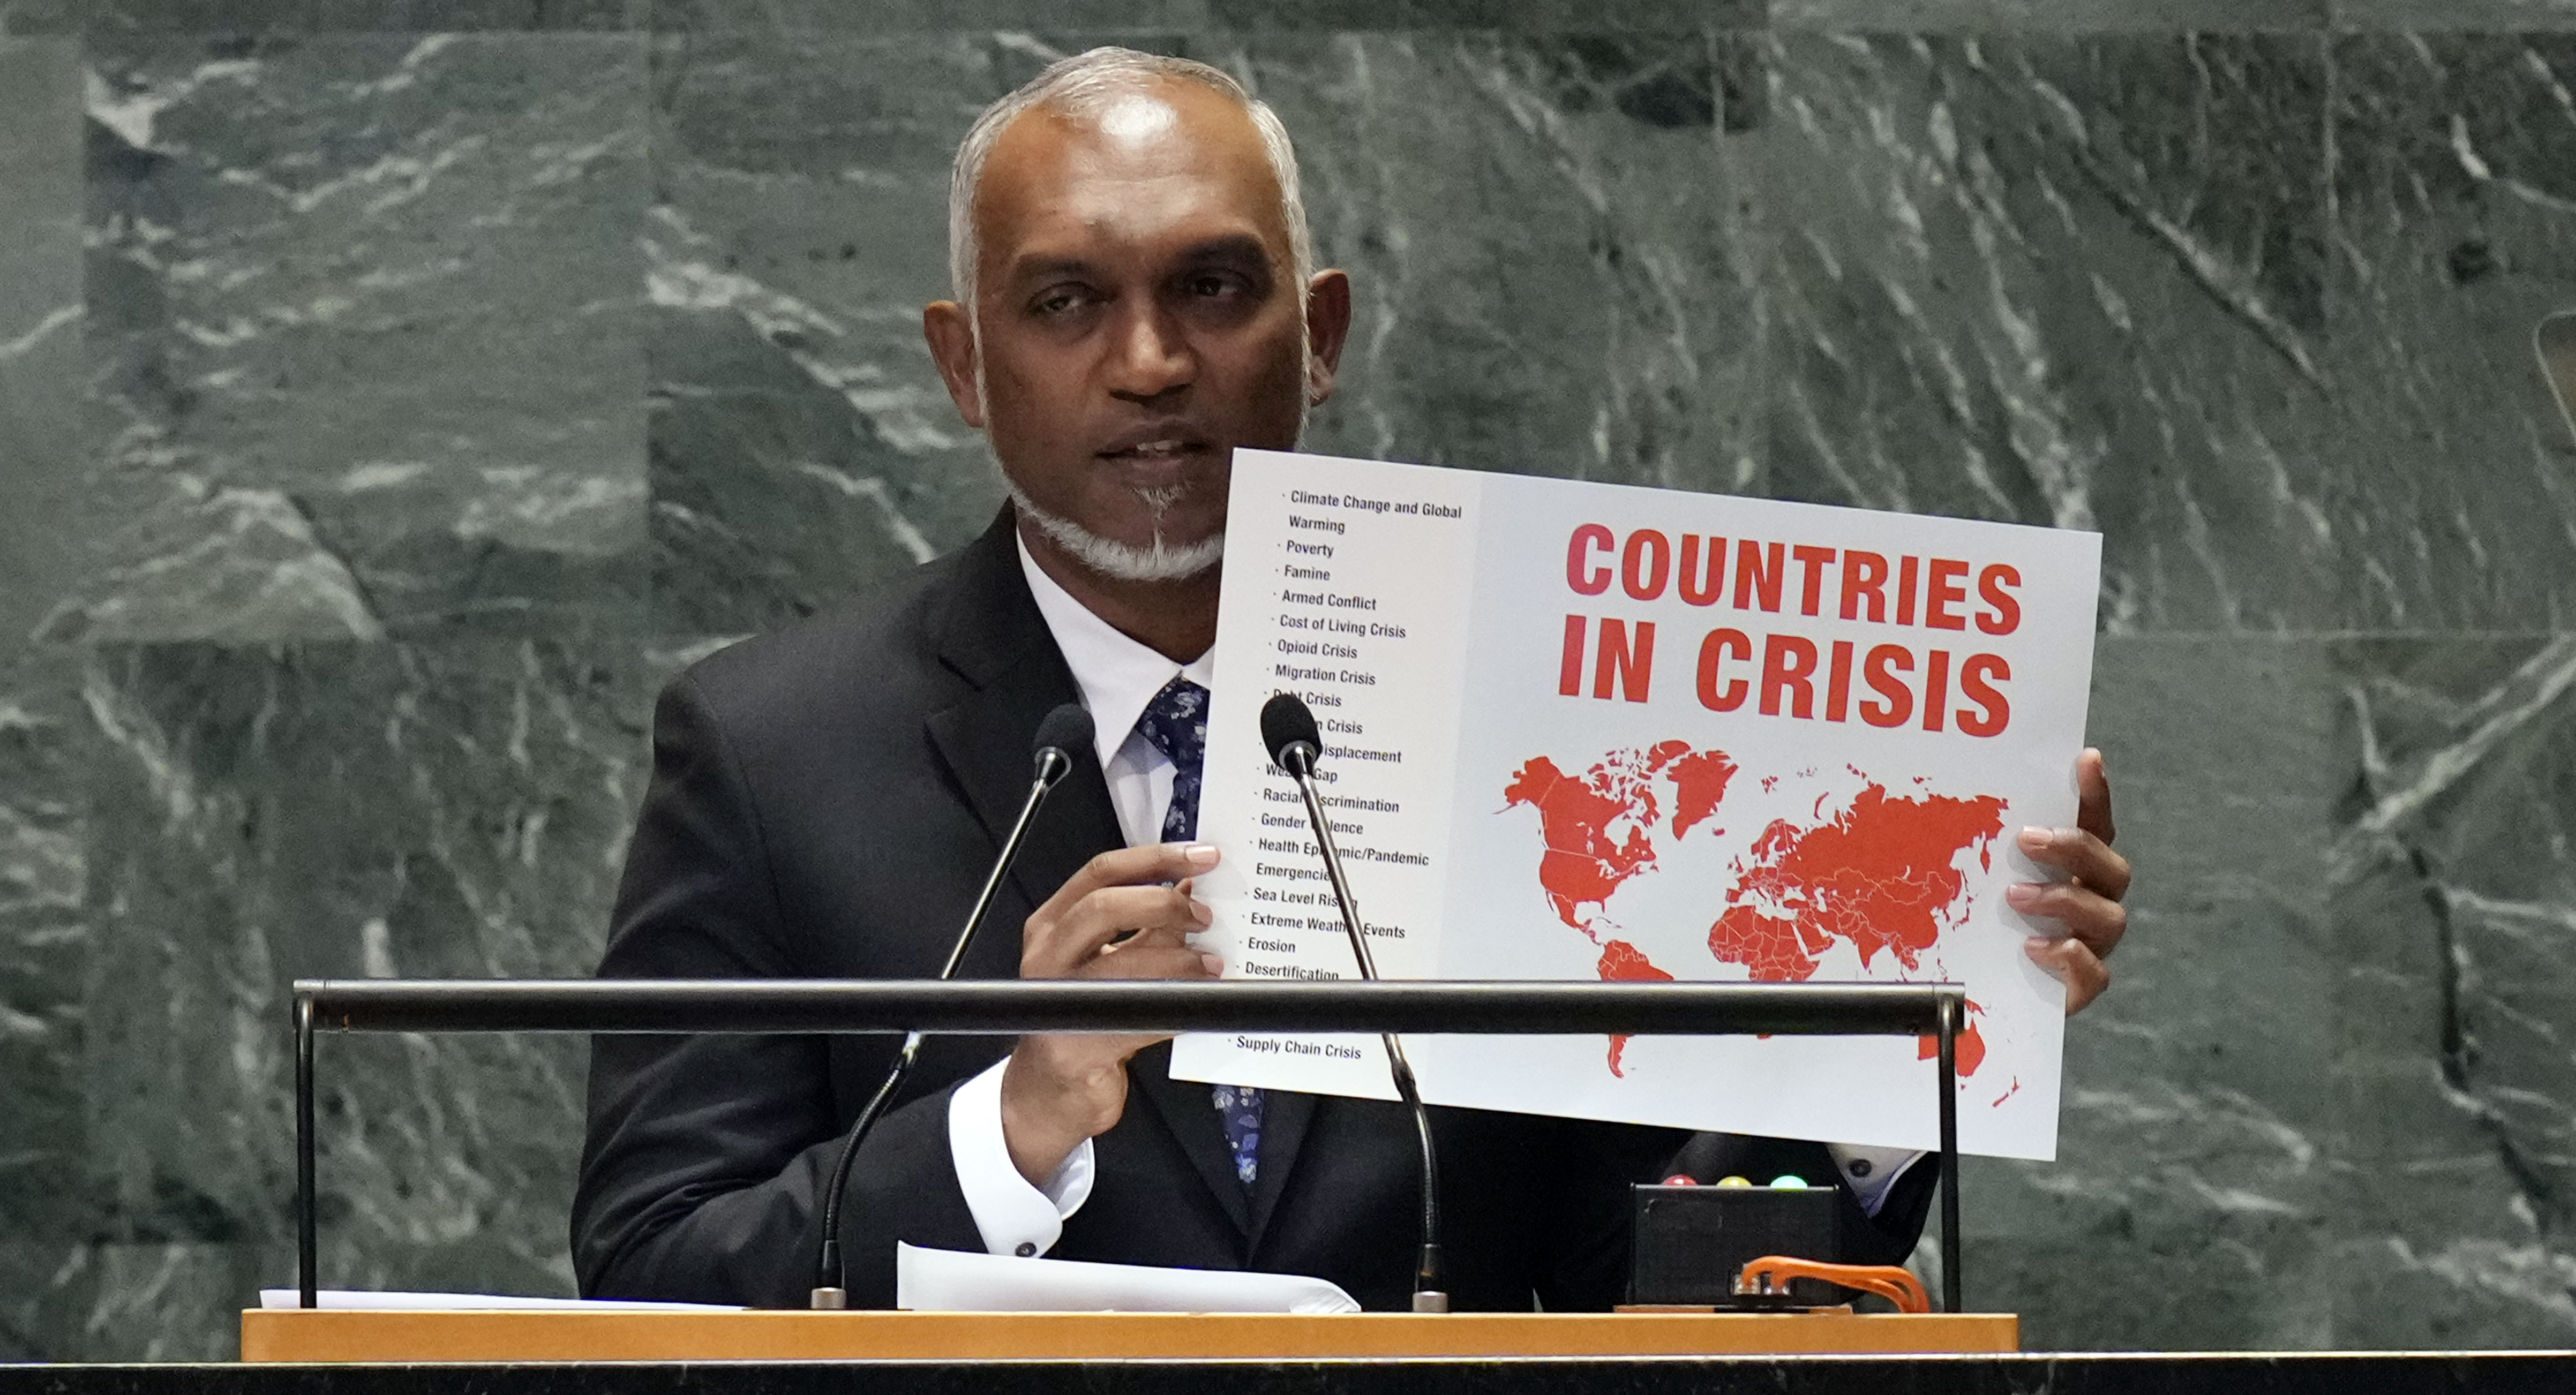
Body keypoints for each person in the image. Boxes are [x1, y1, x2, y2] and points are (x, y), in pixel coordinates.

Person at [570, 48, 2131, 1310]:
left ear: (1319, 336)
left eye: (1213, 289)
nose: (1149, 363)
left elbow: (1652, 1283)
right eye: (1064, 303)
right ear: (962, 364)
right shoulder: (773, 750)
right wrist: (1015, 1118)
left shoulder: (1555, 730)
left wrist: (1901, 1029)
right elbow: (653, 1272)